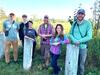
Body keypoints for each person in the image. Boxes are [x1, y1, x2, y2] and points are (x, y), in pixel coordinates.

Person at [69, 9, 92, 75]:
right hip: (74, 46)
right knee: (74, 62)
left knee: (81, 64)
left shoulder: (88, 23)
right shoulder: (74, 23)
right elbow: (70, 33)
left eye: (82, 14)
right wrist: (74, 40)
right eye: (79, 13)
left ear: (84, 15)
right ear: (77, 14)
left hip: (83, 47)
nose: (80, 15)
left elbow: (89, 36)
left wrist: (79, 41)